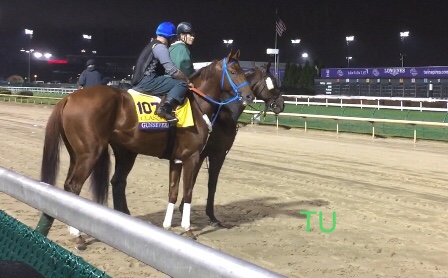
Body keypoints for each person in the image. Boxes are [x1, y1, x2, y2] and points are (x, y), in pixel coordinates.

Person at [132, 21, 193, 124]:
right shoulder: (160, 47)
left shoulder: (151, 45)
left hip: (139, 81)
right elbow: (172, 70)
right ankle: (165, 109)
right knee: (182, 84)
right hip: (147, 81)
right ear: (170, 38)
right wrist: (187, 80)